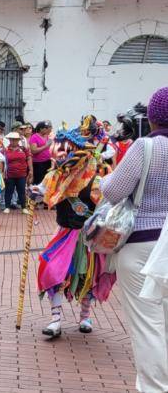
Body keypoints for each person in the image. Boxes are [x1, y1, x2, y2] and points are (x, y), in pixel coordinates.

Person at [100, 87, 168, 392]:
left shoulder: (146, 147)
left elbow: (114, 191)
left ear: (151, 118)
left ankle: (154, 388)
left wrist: (103, 178)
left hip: (142, 241)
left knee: (147, 326)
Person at [32, 122, 115, 338]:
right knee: (52, 270)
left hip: (88, 238)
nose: (60, 157)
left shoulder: (95, 179)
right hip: (64, 233)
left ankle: (85, 316)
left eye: (65, 152)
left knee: (88, 276)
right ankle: (55, 320)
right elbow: (41, 190)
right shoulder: (55, 177)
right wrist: (33, 193)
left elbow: (107, 203)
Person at [2, 132, 31, 213]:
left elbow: (29, 158)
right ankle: (7, 207)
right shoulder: (5, 150)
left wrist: (31, 170)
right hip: (10, 174)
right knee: (8, 190)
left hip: (22, 174)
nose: (13, 141)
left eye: (15, 140)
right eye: (12, 140)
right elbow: (2, 162)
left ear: (18, 140)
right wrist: (2, 172)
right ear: (9, 140)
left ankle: (24, 208)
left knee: (21, 191)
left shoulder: (23, 149)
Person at [30, 121, 54, 186]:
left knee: (46, 180)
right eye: (45, 128)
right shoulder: (34, 137)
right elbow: (34, 150)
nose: (47, 129)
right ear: (41, 129)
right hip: (38, 163)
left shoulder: (46, 136)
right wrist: (46, 146)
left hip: (47, 161)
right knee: (39, 181)